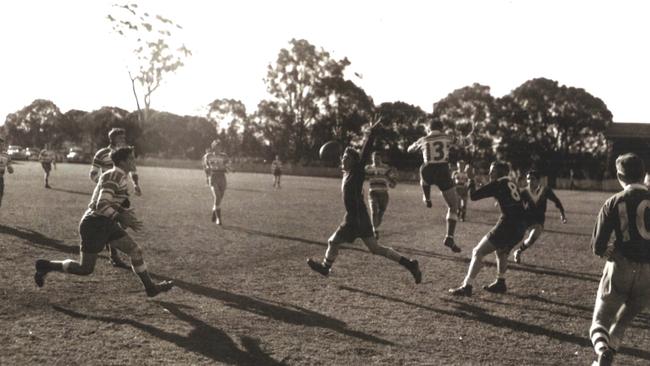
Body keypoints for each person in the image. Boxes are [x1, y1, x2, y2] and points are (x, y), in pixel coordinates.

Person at [34, 147, 173, 297]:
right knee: (85, 269)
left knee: (135, 250)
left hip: (106, 223)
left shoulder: (120, 176)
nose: (134, 161)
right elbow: (101, 204)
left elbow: (108, 203)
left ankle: (150, 288)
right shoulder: (114, 176)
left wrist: (122, 212)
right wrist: (120, 216)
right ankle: (47, 266)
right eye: (131, 158)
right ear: (123, 161)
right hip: (94, 224)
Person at [307, 119, 421, 284]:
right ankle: (410, 264)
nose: (343, 160)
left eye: (347, 158)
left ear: (354, 162)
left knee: (338, 242)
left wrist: (372, 133)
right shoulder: (347, 172)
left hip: (357, 217)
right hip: (354, 216)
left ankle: (326, 267)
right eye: (343, 158)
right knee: (373, 248)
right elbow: (341, 152)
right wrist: (340, 140)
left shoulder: (356, 171)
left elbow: (364, 153)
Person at [588, 153, 650, 366]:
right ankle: (602, 361)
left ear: (619, 176)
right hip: (649, 274)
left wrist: (612, 254)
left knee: (599, 323)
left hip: (621, 268)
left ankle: (603, 350)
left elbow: (598, 247)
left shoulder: (614, 201)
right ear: (644, 174)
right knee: (621, 325)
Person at [449, 161, 527, 296]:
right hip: (521, 226)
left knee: (477, 252)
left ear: (500, 173)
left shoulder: (498, 184)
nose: (490, 173)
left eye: (493, 171)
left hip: (507, 224)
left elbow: (473, 196)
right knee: (501, 251)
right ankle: (500, 282)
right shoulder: (511, 182)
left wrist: (471, 178)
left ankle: (467, 286)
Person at [407, 116, 473, 253]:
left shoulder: (424, 139)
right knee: (453, 206)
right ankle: (449, 236)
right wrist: (470, 135)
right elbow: (465, 143)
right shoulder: (447, 137)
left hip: (428, 169)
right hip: (443, 170)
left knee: (423, 173)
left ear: (429, 128)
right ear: (441, 128)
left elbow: (409, 150)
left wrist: (418, 146)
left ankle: (427, 197)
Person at [89, 128, 141, 268]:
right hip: (108, 192)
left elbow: (133, 171)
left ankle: (110, 247)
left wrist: (136, 184)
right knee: (114, 220)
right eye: (120, 138)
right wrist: (106, 183)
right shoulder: (101, 153)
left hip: (121, 193)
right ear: (112, 139)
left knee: (123, 222)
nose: (123, 140)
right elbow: (93, 173)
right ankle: (113, 255)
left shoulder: (126, 153)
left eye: (124, 137)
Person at [512, 170, 567, 264]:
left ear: (538, 181)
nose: (529, 181)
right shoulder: (524, 192)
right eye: (528, 179)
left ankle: (518, 251)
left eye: (532, 179)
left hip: (538, 220)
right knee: (513, 238)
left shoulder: (545, 190)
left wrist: (562, 214)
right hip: (526, 219)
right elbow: (516, 204)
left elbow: (556, 201)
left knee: (532, 237)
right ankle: (504, 253)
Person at [364, 151, 397, 238]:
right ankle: (375, 231)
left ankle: (375, 227)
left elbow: (393, 181)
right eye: (374, 158)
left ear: (381, 159)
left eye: (378, 158)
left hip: (384, 194)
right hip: (373, 193)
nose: (376, 160)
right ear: (372, 158)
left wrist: (391, 182)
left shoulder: (386, 168)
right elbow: (362, 176)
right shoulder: (368, 168)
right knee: (374, 211)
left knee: (381, 213)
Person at [203, 140, 231, 225]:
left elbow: (228, 165)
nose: (218, 148)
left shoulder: (224, 156)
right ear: (213, 147)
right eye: (216, 146)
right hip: (213, 177)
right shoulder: (208, 156)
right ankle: (218, 219)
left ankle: (214, 210)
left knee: (219, 199)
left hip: (222, 178)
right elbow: (206, 167)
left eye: (219, 146)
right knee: (217, 197)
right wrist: (207, 177)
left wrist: (229, 168)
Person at [0, 137, 14, 208]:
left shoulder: (6, 155)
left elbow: (11, 170)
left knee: (0, 196)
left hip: (0, 179)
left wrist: (10, 168)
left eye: (1, 144)